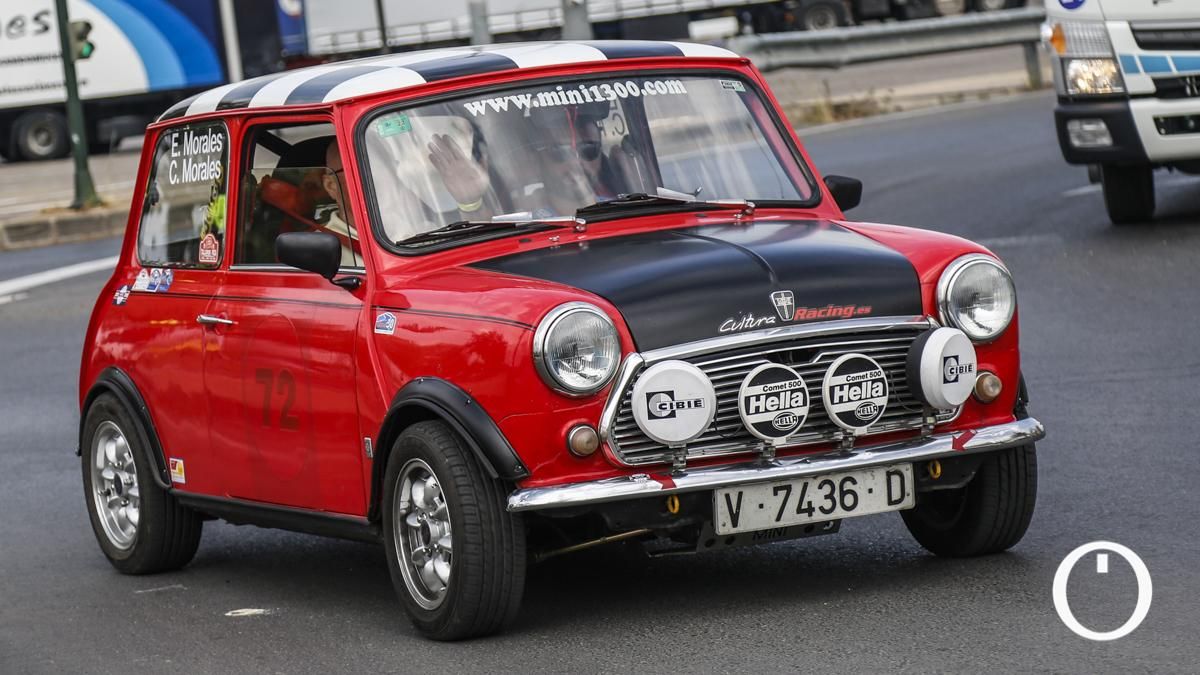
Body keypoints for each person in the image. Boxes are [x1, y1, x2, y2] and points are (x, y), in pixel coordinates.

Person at [321, 140, 360, 266]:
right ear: (331, 185)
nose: (376, 178)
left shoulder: (417, 226)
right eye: (360, 169)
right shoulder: (320, 250)